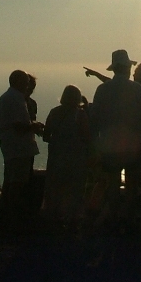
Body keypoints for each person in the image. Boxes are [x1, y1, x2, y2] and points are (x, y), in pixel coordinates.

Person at [88, 49, 141, 218]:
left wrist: (95, 145)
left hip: (108, 145)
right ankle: (128, 217)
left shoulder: (102, 89)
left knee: (112, 183)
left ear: (114, 69)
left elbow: (94, 118)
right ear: (128, 68)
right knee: (131, 184)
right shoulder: (136, 89)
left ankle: (114, 217)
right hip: (132, 145)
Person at [0, 69, 45, 218]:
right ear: (19, 82)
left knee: (11, 178)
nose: (29, 85)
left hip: (13, 146)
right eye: (27, 82)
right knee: (18, 181)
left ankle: (6, 210)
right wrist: (34, 126)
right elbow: (19, 126)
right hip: (19, 147)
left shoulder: (9, 97)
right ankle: (12, 213)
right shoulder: (15, 99)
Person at [41, 85, 91, 224]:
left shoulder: (53, 112)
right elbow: (87, 136)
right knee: (74, 189)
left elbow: (46, 136)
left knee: (54, 188)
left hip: (56, 156)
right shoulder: (80, 115)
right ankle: (71, 218)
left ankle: (51, 217)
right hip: (75, 158)